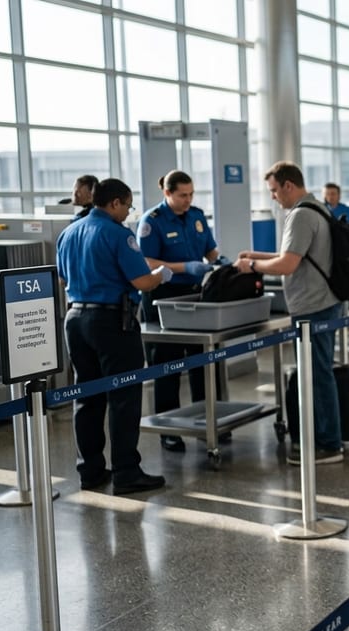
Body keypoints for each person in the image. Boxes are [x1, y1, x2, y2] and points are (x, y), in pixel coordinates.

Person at [57, 178, 172, 495]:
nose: (128, 212)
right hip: (111, 321)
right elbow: (142, 283)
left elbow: (64, 276)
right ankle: (126, 472)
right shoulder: (118, 235)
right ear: (115, 203)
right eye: (127, 206)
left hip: (75, 318)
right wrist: (162, 274)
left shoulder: (68, 233)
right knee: (124, 397)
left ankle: (90, 471)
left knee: (87, 395)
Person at [235, 161, 344, 465]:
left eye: (274, 190)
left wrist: (251, 266)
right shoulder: (319, 209)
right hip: (325, 301)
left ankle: (328, 444)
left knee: (318, 375)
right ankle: (326, 438)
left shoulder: (300, 215)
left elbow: (287, 265)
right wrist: (256, 255)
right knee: (319, 372)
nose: (273, 197)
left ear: (288, 185)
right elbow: (294, 257)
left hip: (313, 306)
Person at [137, 170, 219, 453]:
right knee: (167, 365)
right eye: (182, 195)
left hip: (196, 296)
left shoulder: (196, 216)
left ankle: (206, 421)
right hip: (163, 296)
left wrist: (221, 262)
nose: (188, 199)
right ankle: (169, 429)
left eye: (191, 194)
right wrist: (184, 267)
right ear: (167, 194)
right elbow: (145, 262)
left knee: (201, 361)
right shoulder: (152, 222)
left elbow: (210, 250)